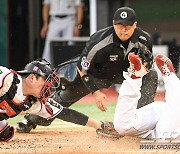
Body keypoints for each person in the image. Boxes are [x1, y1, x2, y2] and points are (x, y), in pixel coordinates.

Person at [16, 7, 158, 133]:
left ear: (135, 25)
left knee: (151, 75)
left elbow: (147, 64)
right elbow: (82, 67)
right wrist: (95, 92)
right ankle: (31, 120)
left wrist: (143, 66)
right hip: (95, 76)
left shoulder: (144, 39)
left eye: (128, 25)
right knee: (62, 100)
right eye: (120, 25)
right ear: (113, 24)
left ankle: (142, 122)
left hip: (125, 74)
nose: (124, 29)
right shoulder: (99, 40)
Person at [0, 59, 116, 141]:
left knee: (6, 134)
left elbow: (65, 113)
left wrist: (99, 125)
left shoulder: (34, 102)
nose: (48, 88)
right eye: (45, 82)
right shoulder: (6, 77)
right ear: (32, 78)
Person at [114, 53, 180, 140]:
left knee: (123, 127)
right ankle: (169, 75)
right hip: (169, 115)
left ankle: (135, 78)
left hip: (166, 124)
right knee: (165, 135)